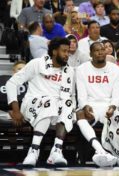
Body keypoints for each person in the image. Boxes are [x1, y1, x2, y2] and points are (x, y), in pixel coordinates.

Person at [6, 37, 76, 166]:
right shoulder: (37, 63)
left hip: (57, 111)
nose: (67, 55)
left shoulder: (69, 71)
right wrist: (15, 110)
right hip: (33, 104)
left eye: (68, 52)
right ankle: (33, 151)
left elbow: (71, 95)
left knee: (67, 102)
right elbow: (11, 83)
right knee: (49, 101)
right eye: (64, 51)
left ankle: (57, 150)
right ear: (54, 52)